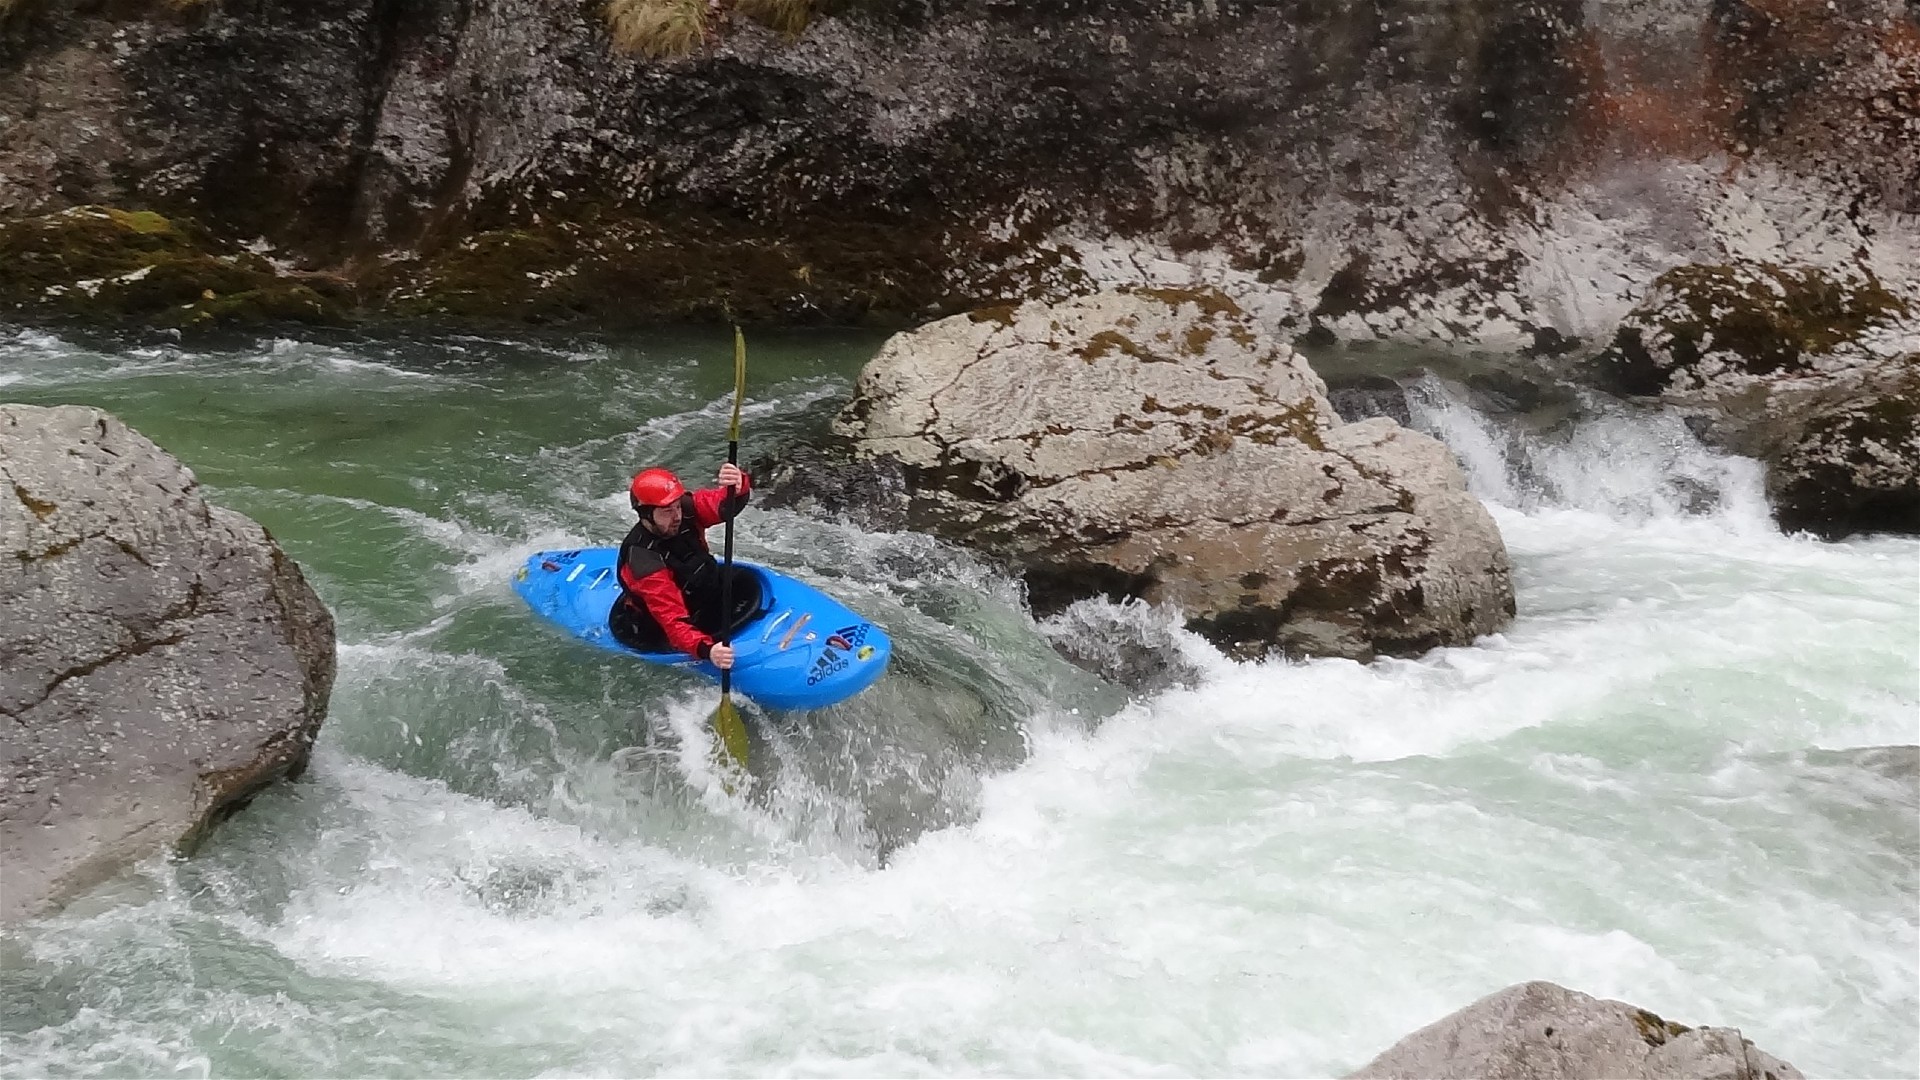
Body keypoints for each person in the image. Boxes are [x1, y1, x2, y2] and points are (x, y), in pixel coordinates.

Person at [608, 462, 756, 668]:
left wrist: (738, 485)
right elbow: (673, 621)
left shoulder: (684, 510)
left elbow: (722, 505)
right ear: (646, 514)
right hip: (667, 625)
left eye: (677, 506)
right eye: (668, 511)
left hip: (704, 593)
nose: (677, 516)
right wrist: (707, 650)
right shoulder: (643, 560)